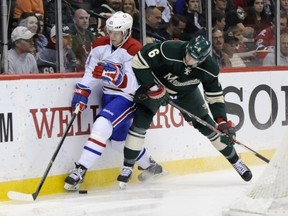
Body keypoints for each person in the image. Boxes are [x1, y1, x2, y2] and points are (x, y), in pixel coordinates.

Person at [116, 35, 253, 188]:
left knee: (209, 126)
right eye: (189, 54)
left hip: (186, 93)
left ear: (202, 59)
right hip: (156, 87)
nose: (188, 60)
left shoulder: (210, 68)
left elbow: (214, 96)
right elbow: (138, 62)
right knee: (140, 124)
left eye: (194, 58)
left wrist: (221, 120)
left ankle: (237, 162)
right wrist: (154, 87)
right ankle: (127, 167)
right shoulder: (169, 49)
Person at [64, 11, 164, 191]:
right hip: (108, 96)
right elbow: (91, 72)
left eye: (116, 33)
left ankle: (80, 170)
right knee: (118, 142)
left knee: (101, 125)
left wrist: (117, 77)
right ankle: (151, 166)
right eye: (109, 31)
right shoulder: (99, 45)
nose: (112, 36)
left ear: (126, 32)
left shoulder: (134, 49)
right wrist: (82, 92)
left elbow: (135, 85)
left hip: (127, 98)